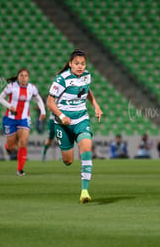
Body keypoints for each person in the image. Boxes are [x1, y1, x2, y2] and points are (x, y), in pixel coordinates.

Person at [47, 48, 103, 204]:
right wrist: (62, 116)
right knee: (68, 161)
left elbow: (86, 90)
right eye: (77, 63)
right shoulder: (61, 79)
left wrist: (96, 105)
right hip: (62, 123)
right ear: (70, 64)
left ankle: (84, 191)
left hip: (81, 120)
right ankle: (66, 143)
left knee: (86, 150)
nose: (80, 66)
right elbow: (50, 102)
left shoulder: (86, 76)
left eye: (83, 64)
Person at [0, 68, 46, 176]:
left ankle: (20, 170)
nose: (23, 78)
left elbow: (38, 99)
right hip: (10, 119)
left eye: (25, 76)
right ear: (18, 77)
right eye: (21, 76)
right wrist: (9, 106)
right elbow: (0, 98)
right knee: (11, 147)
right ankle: (8, 146)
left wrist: (43, 111)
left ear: (28, 78)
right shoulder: (11, 86)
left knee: (23, 142)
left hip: (24, 119)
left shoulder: (32, 88)